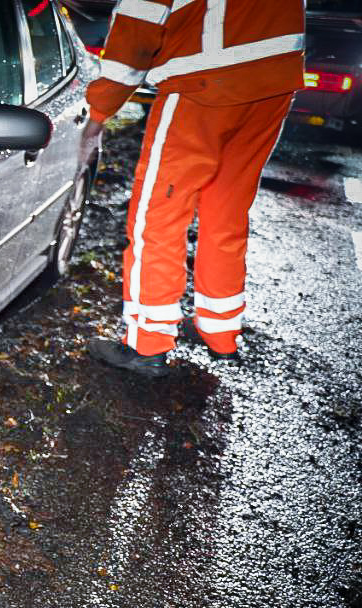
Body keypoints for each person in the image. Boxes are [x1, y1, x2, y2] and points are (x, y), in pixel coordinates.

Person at [84, 0, 305, 378]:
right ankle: (221, 334)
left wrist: (99, 109)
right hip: (274, 82)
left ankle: (147, 344)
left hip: (201, 84)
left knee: (158, 217)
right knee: (226, 211)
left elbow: (137, 27)